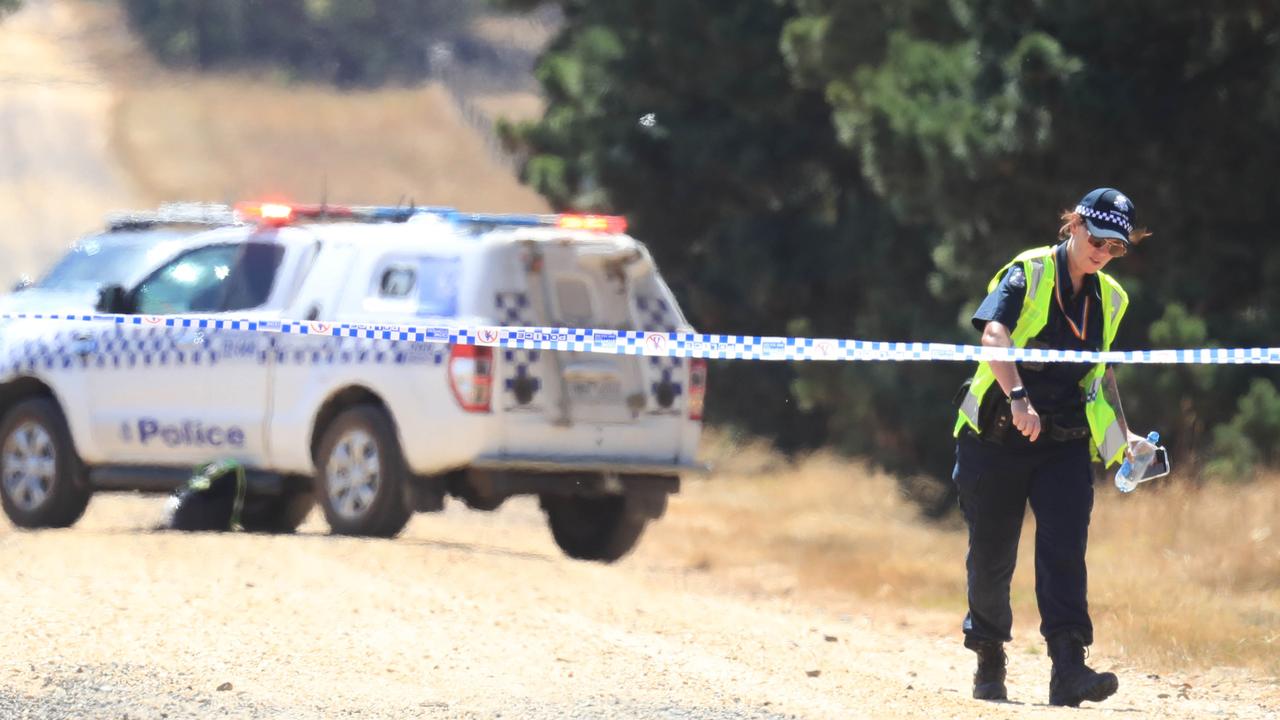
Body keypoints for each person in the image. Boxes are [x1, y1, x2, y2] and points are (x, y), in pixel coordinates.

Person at [951, 187, 1152, 706]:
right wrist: (1018, 397)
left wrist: (1123, 437)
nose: (1104, 252)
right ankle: (989, 654)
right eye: (1098, 239)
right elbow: (994, 335)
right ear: (1075, 225)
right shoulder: (1029, 271)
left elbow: (1100, 378)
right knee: (993, 556)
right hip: (995, 437)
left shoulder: (1113, 299)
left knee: (1065, 551)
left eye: (1116, 247)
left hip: (1063, 443)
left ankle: (1069, 668)